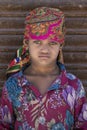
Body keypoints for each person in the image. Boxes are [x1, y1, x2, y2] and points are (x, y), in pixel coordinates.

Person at [0, 7, 87, 130]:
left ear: (61, 45)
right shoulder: (13, 85)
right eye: (37, 42)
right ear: (26, 43)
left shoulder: (73, 86)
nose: (45, 50)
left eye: (52, 43)